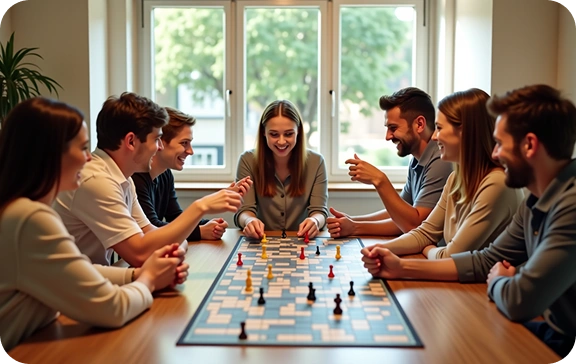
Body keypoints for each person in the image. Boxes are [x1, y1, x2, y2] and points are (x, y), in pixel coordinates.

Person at [361, 84, 576, 359]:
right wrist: (400, 267)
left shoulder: (570, 207)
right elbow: (485, 261)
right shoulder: (536, 198)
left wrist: (499, 280)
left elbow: (520, 300)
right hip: (555, 332)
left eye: (500, 144)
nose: (495, 154)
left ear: (530, 145)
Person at [0, 98, 189, 351]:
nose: (89, 158)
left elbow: (73, 271)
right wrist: (150, 280)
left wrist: (135, 275)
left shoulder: (23, 211)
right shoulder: (30, 218)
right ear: (51, 154)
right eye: (83, 148)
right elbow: (113, 308)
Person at [54, 92, 249, 267]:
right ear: (131, 141)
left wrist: (171, 244)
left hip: (93, 282)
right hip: (65, 299)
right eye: (156, 139)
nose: (160, 148)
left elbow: (152, 235)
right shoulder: (97, 181)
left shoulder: (123, 179)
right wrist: (201, 207)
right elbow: (140, 253)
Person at [363, 88, 523, 259]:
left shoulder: (496, 183)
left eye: (439, 128)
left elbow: (450, 256)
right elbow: (424, 233)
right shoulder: (455, 179)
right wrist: (380, 248)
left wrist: (426, 249)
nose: (434, 137)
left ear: (465, 132)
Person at [327, 87, 453, 238]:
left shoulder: (440, 159)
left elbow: (414, 225)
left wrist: (379, 180)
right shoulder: (416, 159)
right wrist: (352, 221)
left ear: (419, 124)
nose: (387, 136)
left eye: (393, 128)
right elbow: (399, 215)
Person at [133, 107, 251, 241]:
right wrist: (199, 232)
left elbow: (176, 217)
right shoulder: (135, 179)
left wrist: (208, 225)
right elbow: (152, 228)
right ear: (160, 142)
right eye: (184, 143)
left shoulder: (165, 174)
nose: (190, 151)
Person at [234, 100, 328, 239]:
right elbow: (244, 210)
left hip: (302, 243)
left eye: (289, 134)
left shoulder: (316, 162)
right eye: (274, 134)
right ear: (264, 133)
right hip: (261, 243)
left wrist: (315, 221)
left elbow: (319, 211)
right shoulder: (247, 161)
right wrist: (249, 221)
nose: (282, 141)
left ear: (298, 132)